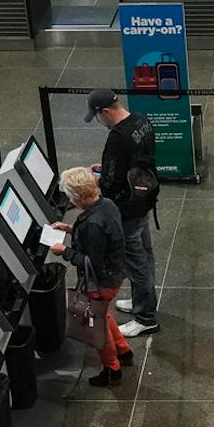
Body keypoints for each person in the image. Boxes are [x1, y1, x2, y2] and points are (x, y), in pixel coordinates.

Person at [88, 88, 161, 338]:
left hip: (126, 207)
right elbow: (137, 160)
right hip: (144, 196)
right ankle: (144, 299)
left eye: (97, 116)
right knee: (146, 251)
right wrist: (107, 168)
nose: (99, 121)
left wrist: (93, 181)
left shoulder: (117, 137)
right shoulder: (141, 120)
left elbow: (110, 183)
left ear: (105, 111)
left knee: (135, 261)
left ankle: (146, 317)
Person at [52, 165, 130, 387]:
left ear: (78, 197)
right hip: (115, 274)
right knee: (103, 314)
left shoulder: (92, 224)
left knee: (96, 327)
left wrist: (64, 252)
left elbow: (90, 261)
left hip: (100, 283)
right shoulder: (106, 205)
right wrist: (70, 229)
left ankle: (112, 368)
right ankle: (124, 350)